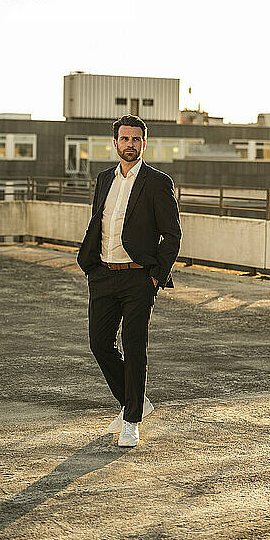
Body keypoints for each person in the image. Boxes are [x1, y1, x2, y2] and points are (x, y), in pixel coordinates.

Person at [77, 114, 182, 447]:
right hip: (104, 276)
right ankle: (135, 402)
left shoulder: (157, 182)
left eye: (136, 139)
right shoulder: (104, 179)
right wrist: (92, 267)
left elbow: (173, 235)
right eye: (125, 139)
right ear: (115, 143)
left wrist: (155, 278)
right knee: (99, 344)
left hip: (138, 279)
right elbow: (100, 223)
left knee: (135, 349)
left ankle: (132, 420)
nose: (130, 144)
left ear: (144, 143)